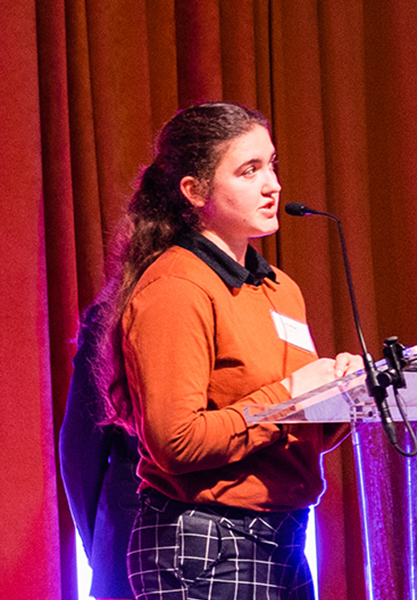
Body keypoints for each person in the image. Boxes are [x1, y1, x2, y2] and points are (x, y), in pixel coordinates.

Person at [89, 102, 360, 599]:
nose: (272, 184)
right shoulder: (177, 286)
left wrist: (344, 396)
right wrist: (292, 395)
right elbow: (177, 442)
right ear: (194, 192)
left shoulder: (279, 288)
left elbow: (289, 433)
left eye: (271, 164)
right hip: (207, 543)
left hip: (283, 539)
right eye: (249, 170)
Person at [56, 305, 140, 600]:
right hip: (128, 545)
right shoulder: (114, 319)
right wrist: (98, 545)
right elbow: (80, 450)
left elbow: (77, 451)